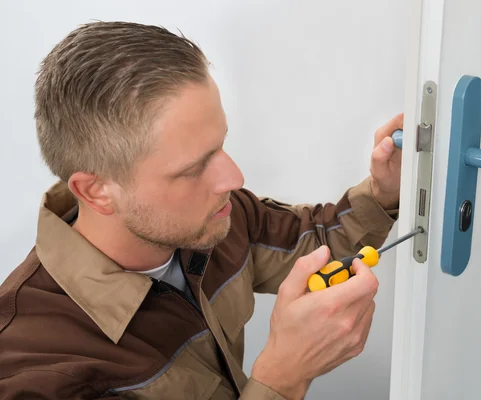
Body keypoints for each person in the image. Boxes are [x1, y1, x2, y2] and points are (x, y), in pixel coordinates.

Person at [0, 21, 403, 399]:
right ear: (97, 191)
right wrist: (283, 379)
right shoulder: (35, 368)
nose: (234, 177)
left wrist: (384, 193)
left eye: (221, 144)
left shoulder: (214, 218)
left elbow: (315, 242)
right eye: (193, 168)